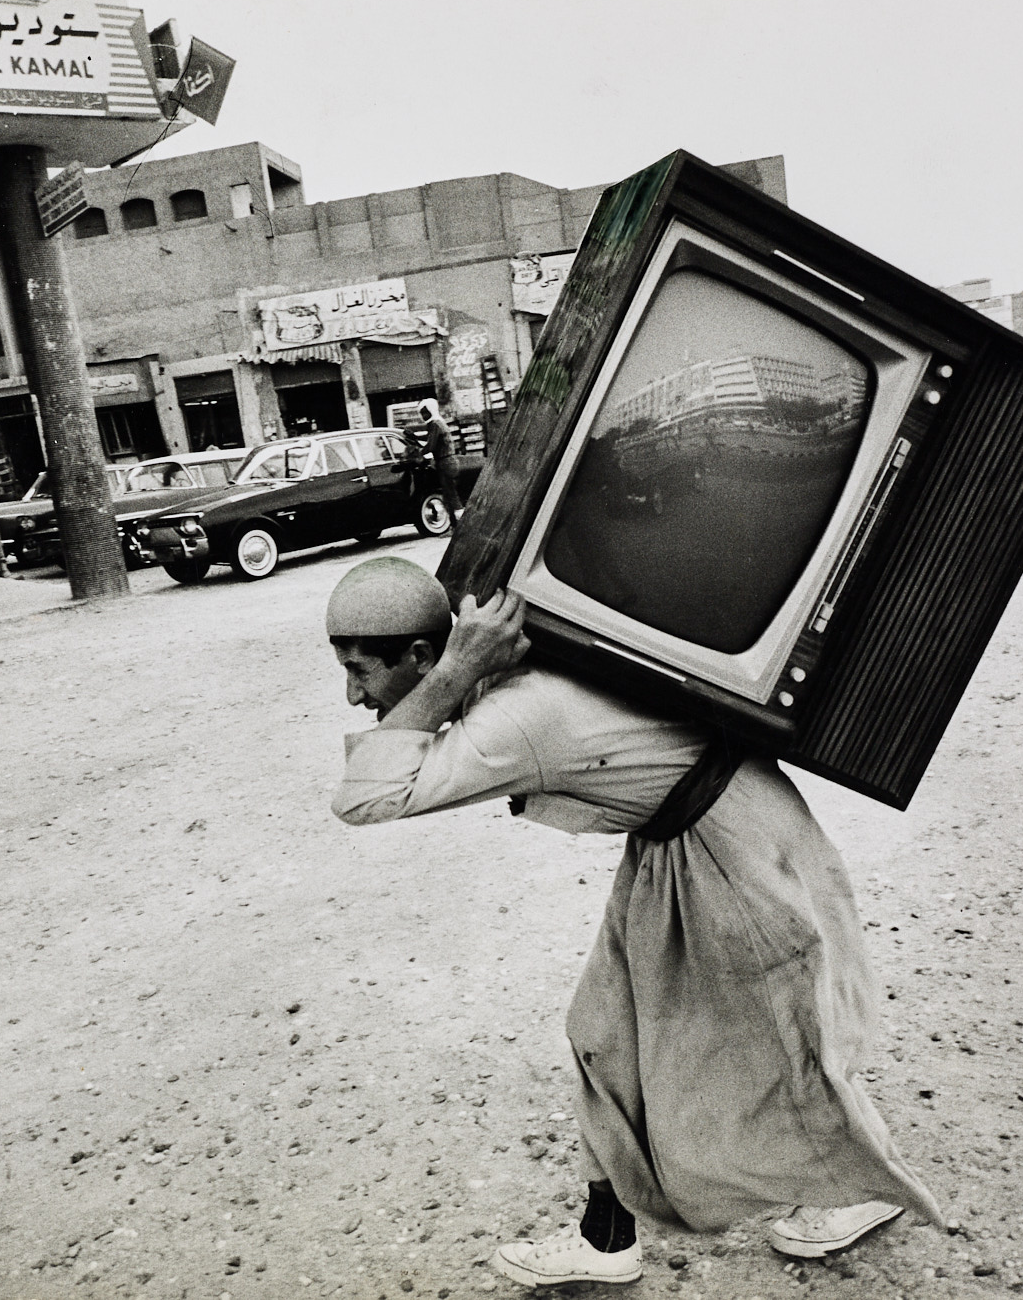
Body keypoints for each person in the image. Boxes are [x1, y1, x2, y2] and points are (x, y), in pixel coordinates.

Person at [326, 557, 939, 1288]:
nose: (353, 694)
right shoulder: (518, 674)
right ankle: (606, 1237)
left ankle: (863, 1189)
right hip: (677, 844)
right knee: (604, 1032)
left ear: (424, 655)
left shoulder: (515, 714)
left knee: (783, 1038)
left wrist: (454, 674)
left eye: (359, 671)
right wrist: (458, 673)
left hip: (738, 848)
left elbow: (367, 797)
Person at [420, 404, 463, 520]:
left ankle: (459, 521)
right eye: (422, 413)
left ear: (431, 411)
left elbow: (431, 445)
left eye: (425, 413)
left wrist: (419, 453)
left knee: (451, 494)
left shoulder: (435, 424)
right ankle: (454, 523)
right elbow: (430, 439)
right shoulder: (439, 423)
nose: (423, 416)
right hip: (448, 461)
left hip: (445, 462)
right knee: (449, 494)